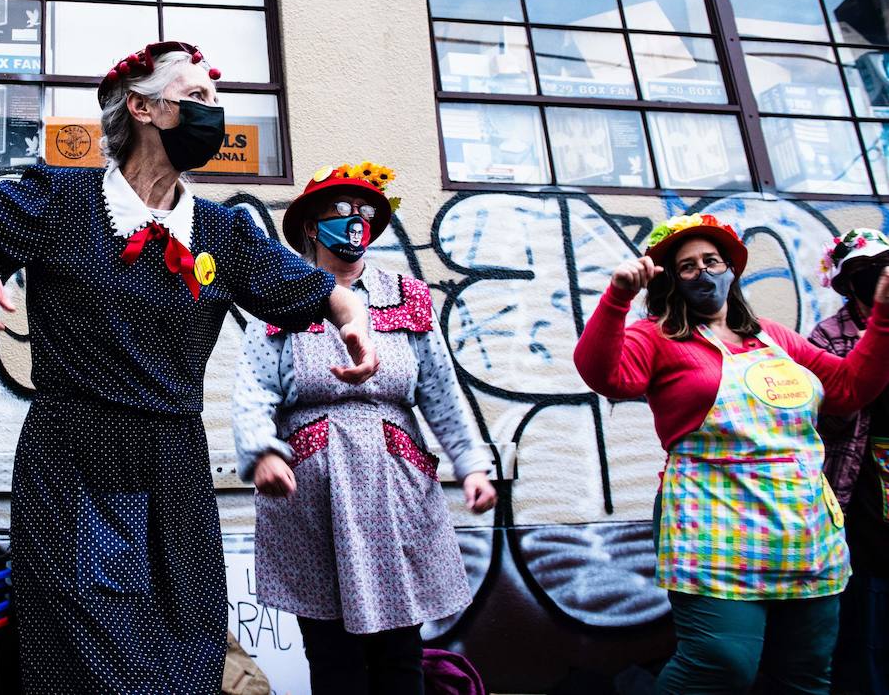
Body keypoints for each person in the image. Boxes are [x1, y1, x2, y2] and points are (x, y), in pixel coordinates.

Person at [0, 41, 380, 694]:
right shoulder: (61, 202)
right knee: (89, 660)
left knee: (187, 649)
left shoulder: (223, 233)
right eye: (196, 96)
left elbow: (325, 291)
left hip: (176, 468)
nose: (213, 111)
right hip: (75, 464)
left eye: (216, 99)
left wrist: (353, 319)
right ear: (143, 108)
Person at [573, 212, 889, 694]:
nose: (703, 272)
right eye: (687, 266)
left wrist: (883, 318)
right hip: (711, 523)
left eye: (712, 261)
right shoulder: (656, 336)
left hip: (803, 527)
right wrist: (617, 299)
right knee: (720, 664)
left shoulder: (775, 338)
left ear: (731, 270)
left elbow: (848, 389)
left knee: (805, 674)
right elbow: (604, 374)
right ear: (671, 280)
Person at [232, 161, 495, 695]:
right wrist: (262, 452)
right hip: (314, 499)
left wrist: (471, 465)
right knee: (334, 659)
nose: (356, 220)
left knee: (400, 652)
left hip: (395, 493)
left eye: (365, 211)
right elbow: (254, 389)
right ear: (311, 225)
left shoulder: (408, 296)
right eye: (341, 209)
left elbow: (441, 391)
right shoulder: (283, 299)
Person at [810, 228, 889, 695]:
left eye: (882, 265)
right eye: (863, 269)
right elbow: (830, 417)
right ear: (845, 281)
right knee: (869, 612)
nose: (876, 275)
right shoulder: (828, 336)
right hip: (861, 488)